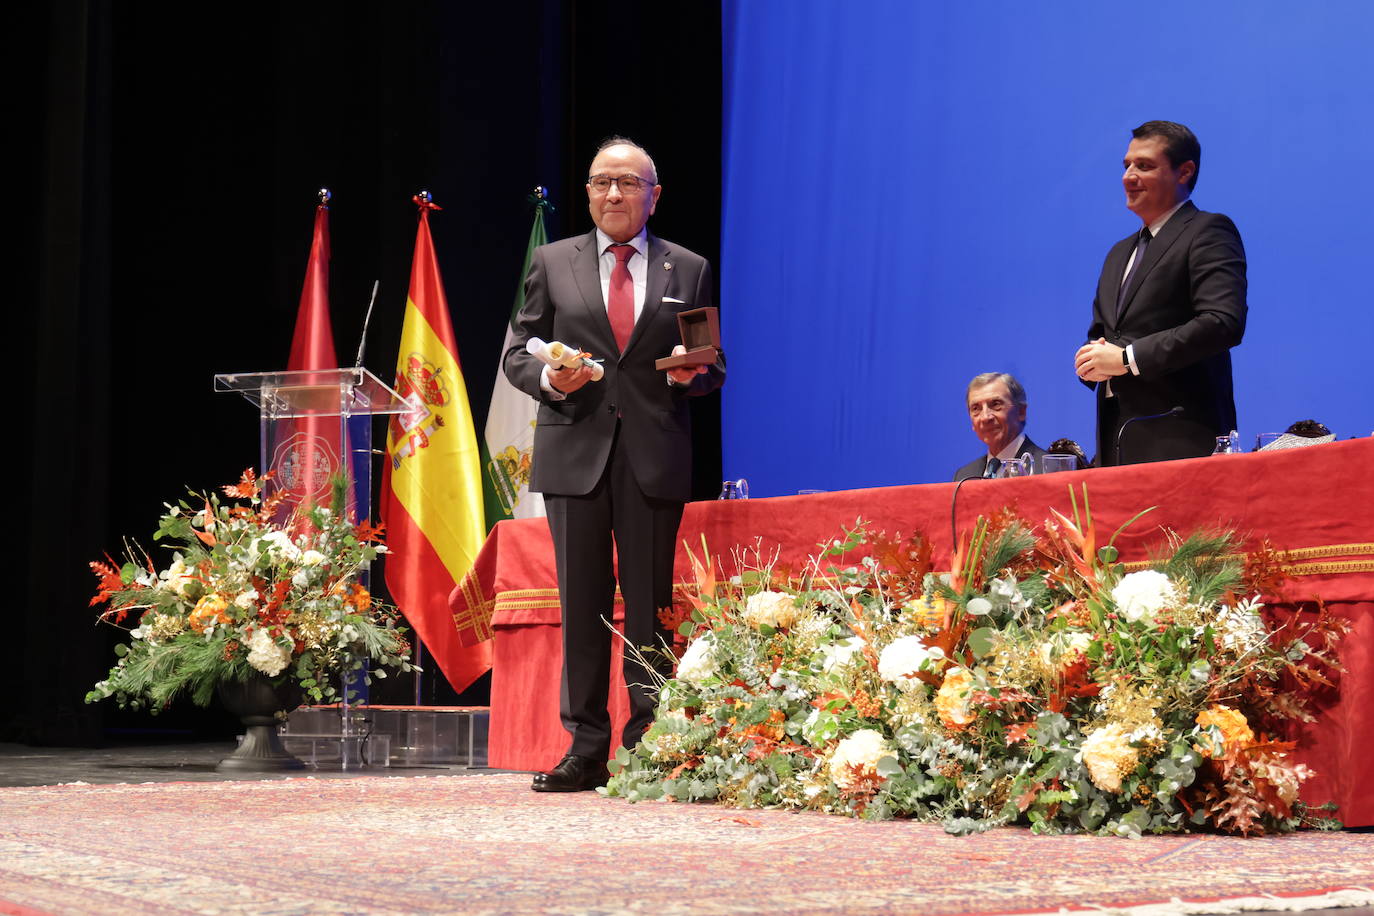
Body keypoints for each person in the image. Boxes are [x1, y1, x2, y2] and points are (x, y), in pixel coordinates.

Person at [504, 138, 725, 792]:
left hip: (653, 456)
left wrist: (695, 374)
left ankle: (650, 743)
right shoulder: (553, 261)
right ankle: (586, 746)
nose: (612, 195)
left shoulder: (687, 268)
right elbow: (519, 353)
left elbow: (711, 363)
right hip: (573, 451)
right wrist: (550, 381)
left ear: (654, 195)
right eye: (601, 183)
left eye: (627, 184)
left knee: (651, 602)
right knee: (582, 603)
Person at [1074, 120, 1246, 466]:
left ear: (1184, 172)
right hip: (1116, 445)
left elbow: (1222, 322)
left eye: (1145, 165)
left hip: (1180, 444)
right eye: (1127, 166)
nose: (1129, 176)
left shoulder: (1207, 231)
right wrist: (1092, 360)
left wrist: (1126, 359)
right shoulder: (1118, 253)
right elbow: (1105, 333)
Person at [953, 372, 1047, 481]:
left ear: (1021, 412)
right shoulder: (963, 476)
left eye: (996, 404)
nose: (985, 417)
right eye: (976, 408)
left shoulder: (1047, 470)